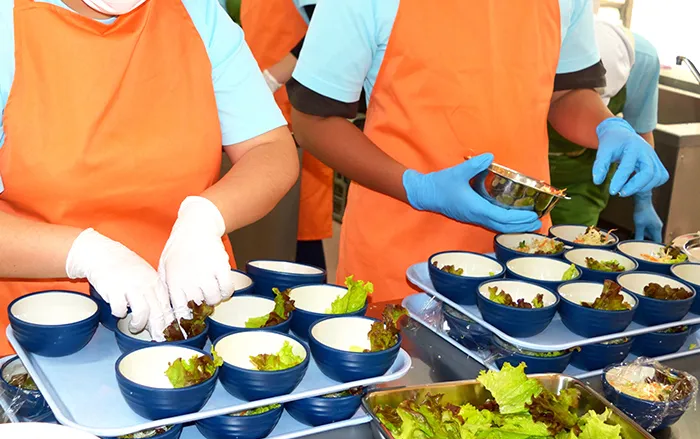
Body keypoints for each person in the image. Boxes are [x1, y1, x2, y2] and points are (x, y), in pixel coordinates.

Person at [288, 0, 669, 301]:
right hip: (401, 253)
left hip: (521, 251)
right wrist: (418, 188)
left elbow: (566, 92)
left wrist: (608, 127)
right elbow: (312, 122)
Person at [0, 0, 298, 355]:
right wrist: (83, 253)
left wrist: (205, 218)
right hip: (44, 334)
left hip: (187, 313)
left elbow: (269, 148)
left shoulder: (196, 13)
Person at [549, 16, 664, 241]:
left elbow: (641, 136)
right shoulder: (546, 44)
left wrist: (643, 200)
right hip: (526, 170)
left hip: (583, 181)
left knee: (575, 248)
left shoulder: (644, 60)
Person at [241, 0, 334, 270]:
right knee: (268, 233)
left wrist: (272, 77)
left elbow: (328, 27)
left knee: (298, 233)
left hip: (295, 110)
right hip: (262, 113)